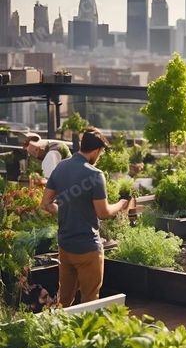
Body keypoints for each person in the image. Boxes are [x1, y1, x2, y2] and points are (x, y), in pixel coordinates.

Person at [41, 128, 130, 307]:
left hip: (65, 247)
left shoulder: (61, 167)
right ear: (96, 151)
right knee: (89, 301)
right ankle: (84, 335)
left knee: (64, 300)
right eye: (101, 153)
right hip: (88, 248)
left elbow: (45, 203)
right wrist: (121, 204)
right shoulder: (95, 175)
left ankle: (59, 333)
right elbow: (103, 212)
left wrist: (66, 211)